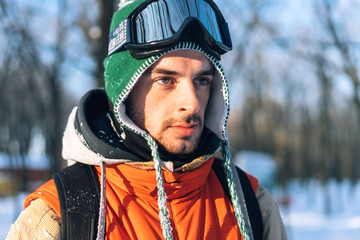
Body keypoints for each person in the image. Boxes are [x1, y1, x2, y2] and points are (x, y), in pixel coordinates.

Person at [7, 0, 287, 239]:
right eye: (166, 79)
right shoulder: (60, 215)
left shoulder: (251, 204)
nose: (191, 103)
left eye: (201, 80)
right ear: (125, 90)